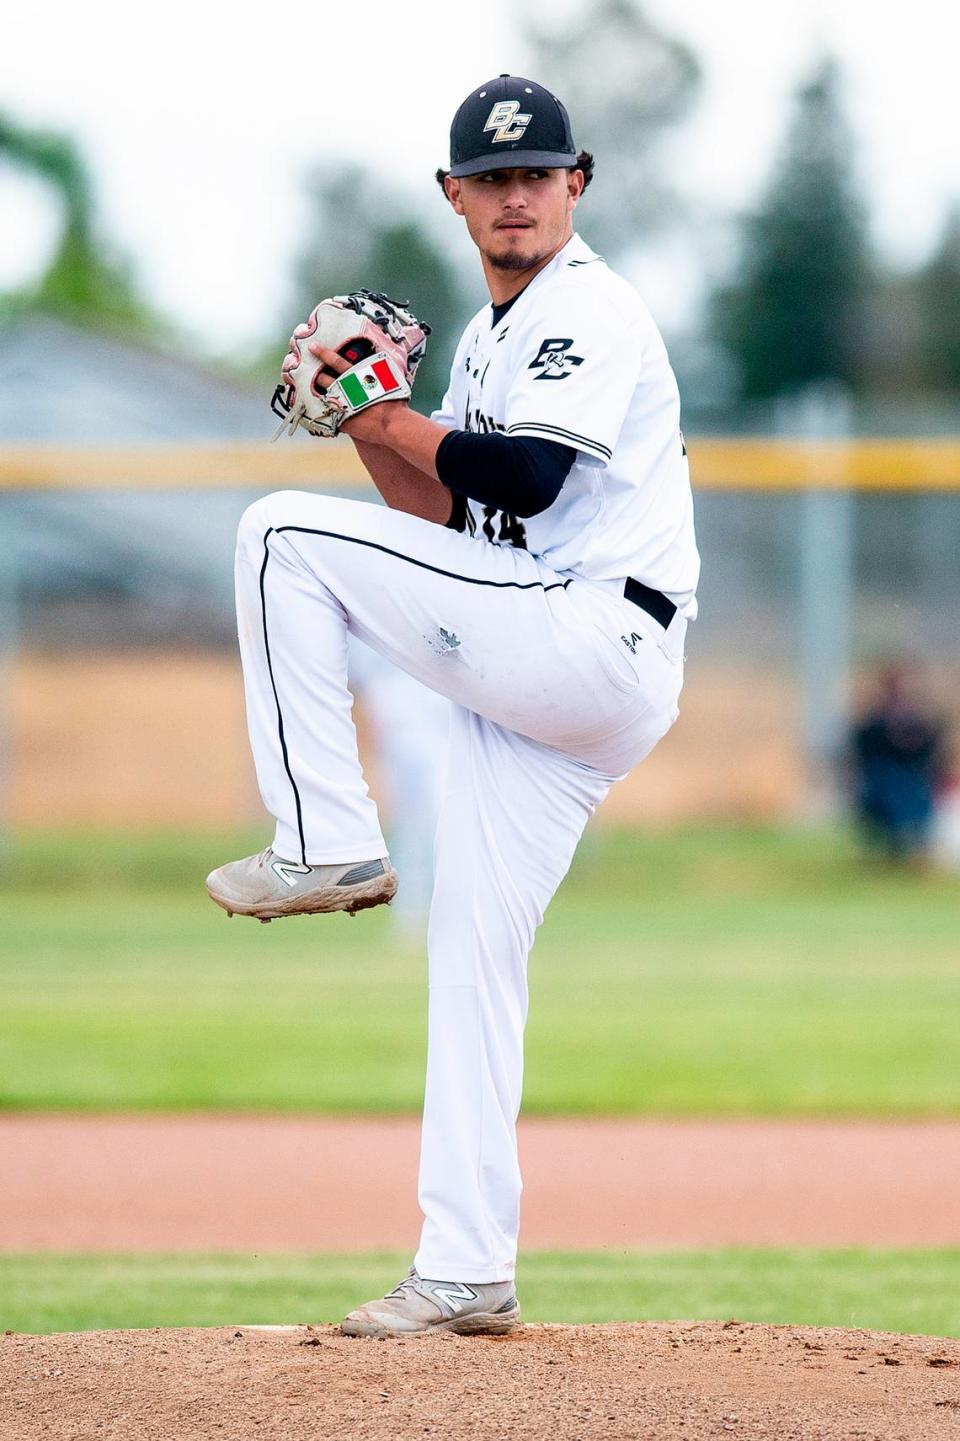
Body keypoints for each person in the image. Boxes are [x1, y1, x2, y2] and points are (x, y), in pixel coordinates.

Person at [206, 74, 699, 1336]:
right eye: (491, 179)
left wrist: (390, 411)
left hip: (588, 627)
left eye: (536, 172)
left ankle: (323, 834)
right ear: (454, 199)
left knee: (274, 538)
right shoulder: (483, 340)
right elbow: (440, 523)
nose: (515, 194)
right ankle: (467, 1264)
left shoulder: (588, 308)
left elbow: (526, 481)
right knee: (473, 960)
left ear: (576, 183)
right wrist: (368, 432)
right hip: (542, 663)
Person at [850, 661, 948, 863]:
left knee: (910, 791)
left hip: (914, 777)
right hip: (883, 776)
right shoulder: (874, 717)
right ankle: (898, 844)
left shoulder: (921, 716)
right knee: (891, 789)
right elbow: (864, 746)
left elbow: (931, 747)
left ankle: (912, 846)